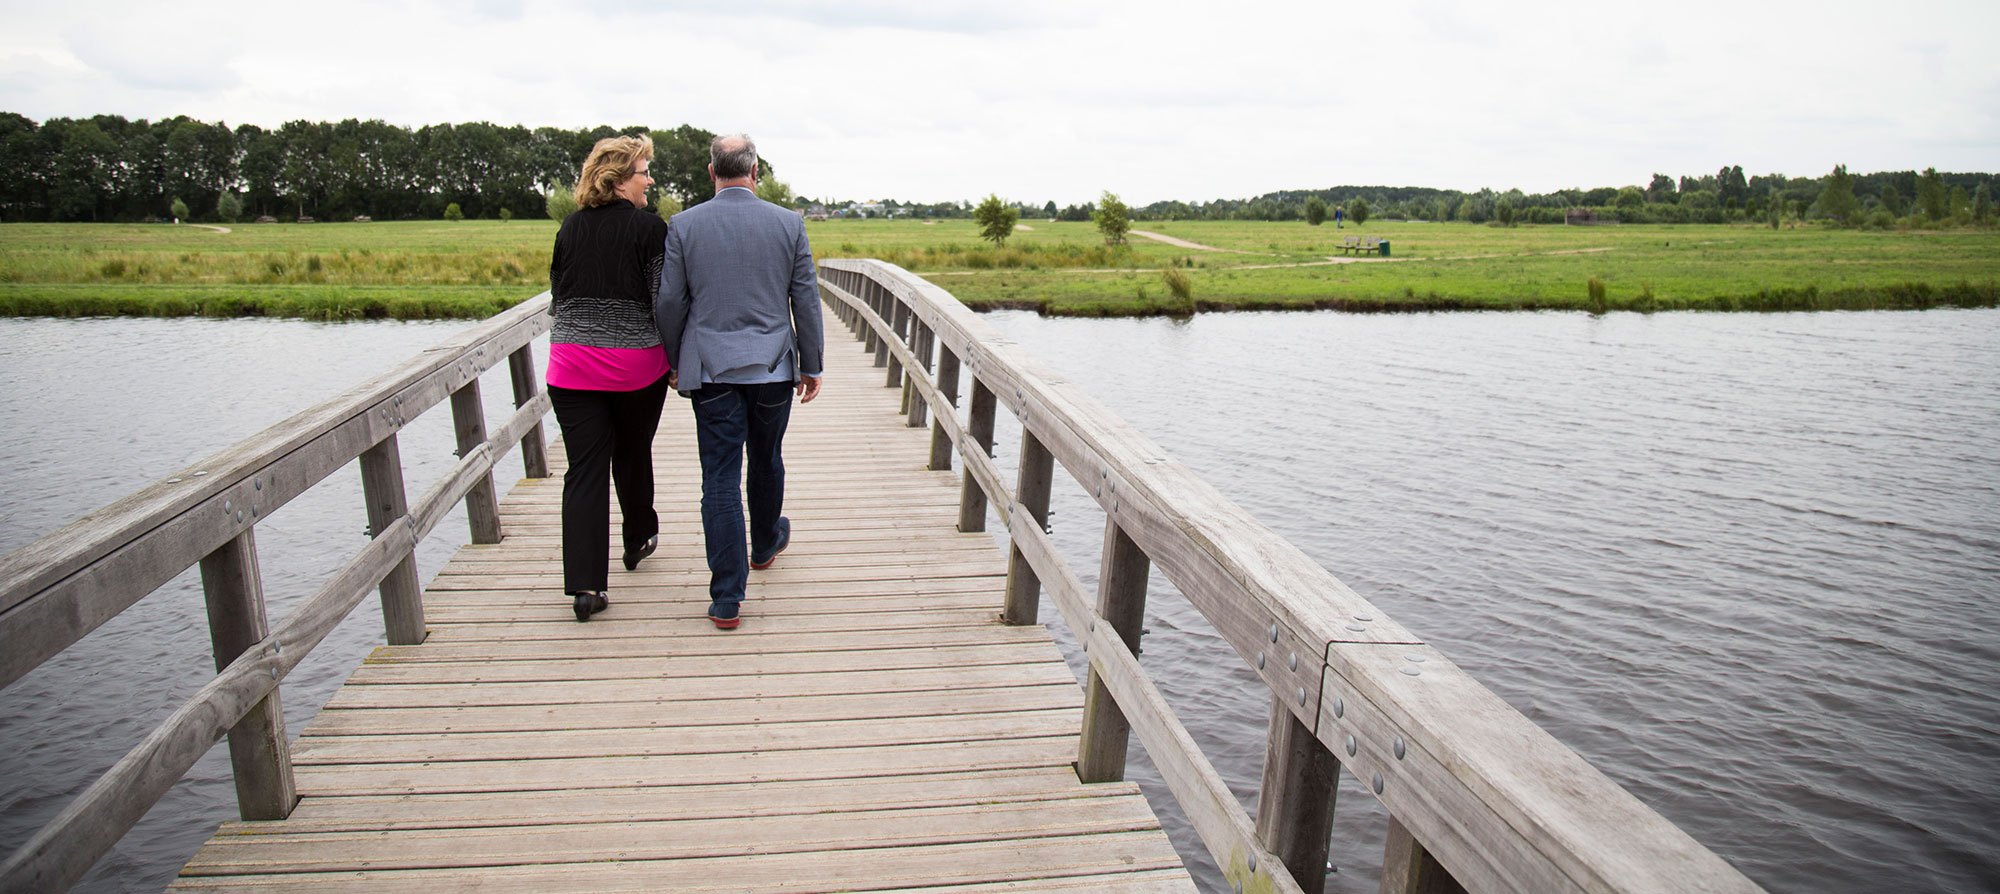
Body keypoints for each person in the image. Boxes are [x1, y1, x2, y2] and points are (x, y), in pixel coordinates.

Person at [655, 133, 824, 630]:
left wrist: (673, 358)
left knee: (720, 474)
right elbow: (806, 299)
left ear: (712, 172)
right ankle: (766, 543)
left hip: (710, 369)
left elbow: (669, 302)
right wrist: (811, 364)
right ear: (755, 172)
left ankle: (727, 596)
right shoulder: (788, 223)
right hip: (773, 367)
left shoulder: (684, 225)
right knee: (767, 456)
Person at [546, 135, 672, 622]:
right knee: (634, 446)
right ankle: (638, 534)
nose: (650, 180)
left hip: (571, 368)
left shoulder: (569, 228)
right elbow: (663, 300)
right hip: (635, 369)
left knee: (585, 469)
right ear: (620, 180)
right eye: (644, 172)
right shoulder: (649, 229)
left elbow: (559, 298)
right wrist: (677, 357)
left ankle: (586, 588)